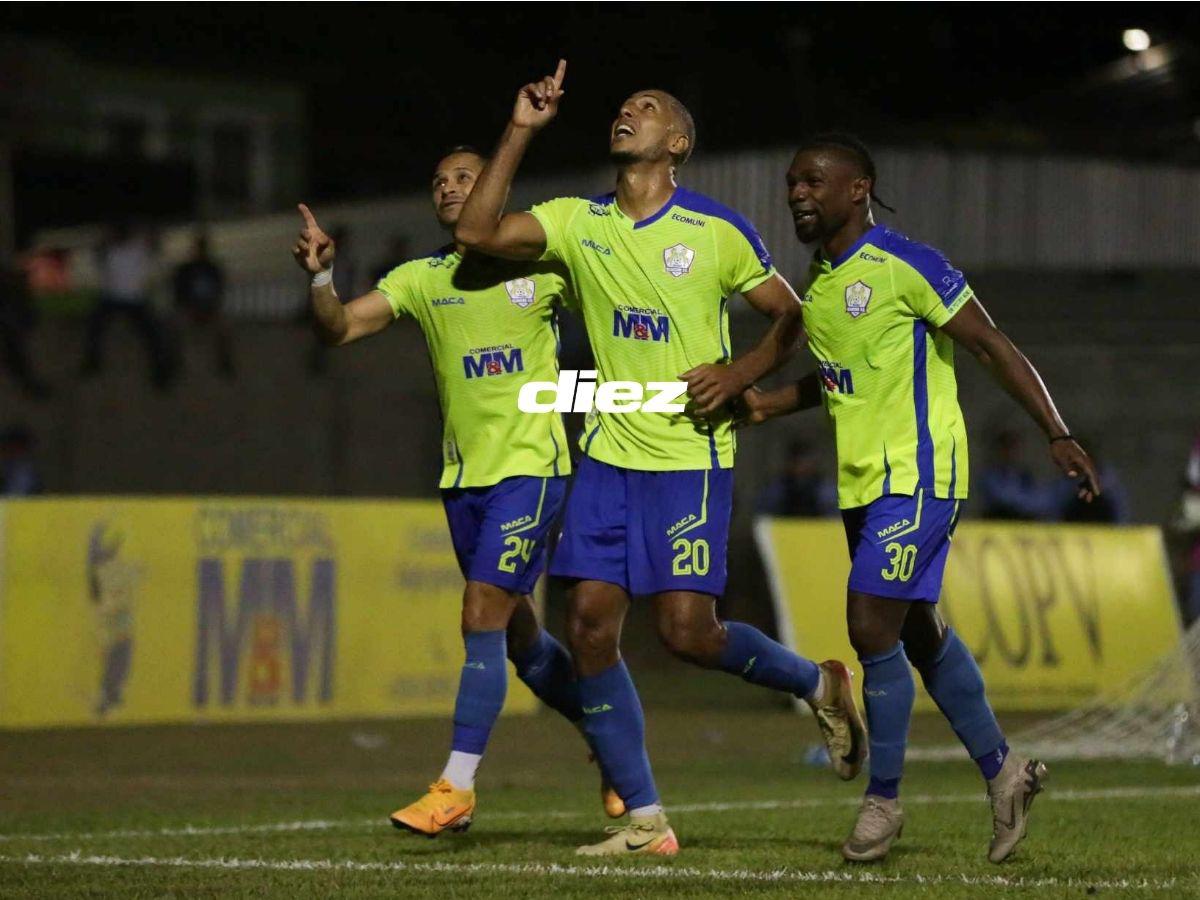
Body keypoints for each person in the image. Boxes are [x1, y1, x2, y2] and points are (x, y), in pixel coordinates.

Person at [456, 61, 866, 857]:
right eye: (622, 106)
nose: (627, 111)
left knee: (687, 633)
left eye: (646, 108)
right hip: (608, 454)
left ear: (677, 142)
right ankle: (646, 821)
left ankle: (818, 683)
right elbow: (476, 234)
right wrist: (520, 130)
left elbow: (793, 317)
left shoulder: (714, 230)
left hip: (690, 457)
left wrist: (740, 374)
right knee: (589, 627)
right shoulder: (576, 221)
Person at [740, 133, 1101, 863]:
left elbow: (990, 343)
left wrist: (1057, 432)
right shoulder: (820, 279)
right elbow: (843, 376)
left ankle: (884, 801)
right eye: (792, 182)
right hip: (863, 484)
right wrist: (769, 404)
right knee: (918, 634)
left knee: (868, 623)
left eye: (813, 181)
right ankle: (1004, 772)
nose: (797, 193)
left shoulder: (909, 263)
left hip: (920, 474)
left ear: (858, 189)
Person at [290, 146, 609, 838]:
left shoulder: (544, 269)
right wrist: (321, 278)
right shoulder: (421, 278)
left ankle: (456, 787)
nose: (449, 187)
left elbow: (615, 324)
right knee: (521, 640)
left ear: (495, 186)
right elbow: (340, 327)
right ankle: (611, 737)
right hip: (464, 481)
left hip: (532, 470)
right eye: (439, 181)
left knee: (480, 613)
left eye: (465, 176)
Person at [82, 224, 174, 388]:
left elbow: (156, 241)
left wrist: (146, 231)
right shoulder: (111, 248)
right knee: (94, 327)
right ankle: (92, 362)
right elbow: (97, 249)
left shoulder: (137, 247)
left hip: (134, 299)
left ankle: (161, 372)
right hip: (112, 298)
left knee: (154, 333)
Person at [172, 233, 235, 378]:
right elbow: (178, 293)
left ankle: (224, 361)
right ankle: (175, 361)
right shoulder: (185, 269)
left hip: (209, 309)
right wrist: (188, 307)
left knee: (225, 327)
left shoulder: (213, 269)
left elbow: (218, 292)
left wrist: (210, 308)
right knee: (175, 326)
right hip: (189, 309)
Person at [978, 429, 1050, 520]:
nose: (1010, 453)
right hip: (998, 520)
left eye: (1013, 449)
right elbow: (1002, 499)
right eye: (1006, 448)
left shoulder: (1024, 476)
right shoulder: (991, 475)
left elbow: (1038, 500)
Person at [755, 438, 838, 517]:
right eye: (798, 463)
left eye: (806, 463)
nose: (802, 468)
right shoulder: (776, 491)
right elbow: (763, 520)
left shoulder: (826, 491)